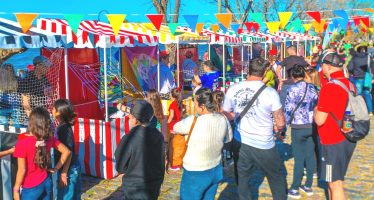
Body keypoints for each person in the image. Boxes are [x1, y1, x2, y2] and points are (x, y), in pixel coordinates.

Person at [222, 58, 287, 200]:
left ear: (248, 70)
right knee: (276, 177)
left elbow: (226, 114)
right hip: (264, 143)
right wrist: (278, 129)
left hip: (241, 141)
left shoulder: (233, 89)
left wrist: (237, 114)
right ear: (264, 73)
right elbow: (280, 122)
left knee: (243, 179)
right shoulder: (270, 93)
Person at [173, 88, 232, 200]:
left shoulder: (193, 121)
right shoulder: (223, 118)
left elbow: (176, 127)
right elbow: (228, 138)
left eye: (195, 103)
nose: (194, 106)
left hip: (195, 172)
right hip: (215, 168)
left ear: (202, 107)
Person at [314, 52, 357, 200]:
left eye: (323, 66)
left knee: (335, 183)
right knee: (336, 180)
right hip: (347, 136)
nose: (322, 69)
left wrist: (315, 109)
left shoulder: (329, 87)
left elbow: (320, 119)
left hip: (332, 139)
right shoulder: (350, 84)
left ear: (328, 66)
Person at [13, 107, 71, 200]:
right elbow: (67, 151)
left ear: (31, 123)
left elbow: (22, 169)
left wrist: (16, 189)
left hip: (30, 186)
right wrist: (56, 168)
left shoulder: (22, 143)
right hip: (46, 181)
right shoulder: (50, 139)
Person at [115, 100, 165, 200]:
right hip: (154, 186)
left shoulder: (129, 138)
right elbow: (161, 162)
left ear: (136, 120)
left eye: (131, 116)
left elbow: (120, 166)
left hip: (135, 188)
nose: (128, 117)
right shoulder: (158, 135)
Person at [284, 65, 318, 198]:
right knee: (310, 156)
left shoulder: (292, 89)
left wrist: (283, 128)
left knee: (299, 159)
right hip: (311, 124)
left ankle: (295, 187)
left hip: (298, 125)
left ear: (293, 76)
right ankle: (308, 185)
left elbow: (288, 110)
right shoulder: (313, 88)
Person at [52, 99, 81, 200]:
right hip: (70, 167)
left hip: (69, 169)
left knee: (66, 196)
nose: (51, 110)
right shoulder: (62, 126)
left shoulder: (63, 129)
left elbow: (69, 152)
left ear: (59, 112)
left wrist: (64, 173)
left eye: (53, 108)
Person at [347, 45, 373, 115]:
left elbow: (350, 68)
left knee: (358, 95)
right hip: (367, 78)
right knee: (367, 94)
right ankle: (370, 111)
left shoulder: (354, 58)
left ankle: (360, 110)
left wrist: (353, 72)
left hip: (358, 78)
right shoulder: (368, 57)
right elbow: (371, 67)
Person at [168, 88, 183, 170]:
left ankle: (174, 164)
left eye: (170, 94)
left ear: (173, 96)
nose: (169, 95)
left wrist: (167, 121)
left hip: (173, 126)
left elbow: (171, 116)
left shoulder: (172, 104)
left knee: (172, 146)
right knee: (178, 146)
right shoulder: (180, 103)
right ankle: (179, 163)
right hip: (179, 125)